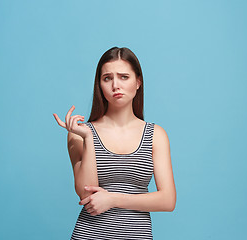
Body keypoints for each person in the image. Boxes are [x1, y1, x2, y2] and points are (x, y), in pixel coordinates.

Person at [53, 47, 176, 239]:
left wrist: (112, 199)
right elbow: (86, 195)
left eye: (124, 77)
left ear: (138, 82)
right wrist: (88, 139)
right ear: (99, 85)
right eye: (107, 78)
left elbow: (168, 200)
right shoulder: (80, 134)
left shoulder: (155, 135)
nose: (115, 85)